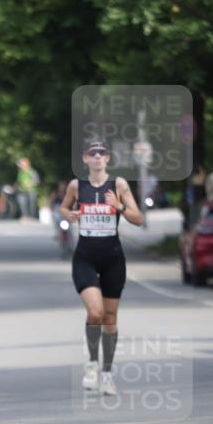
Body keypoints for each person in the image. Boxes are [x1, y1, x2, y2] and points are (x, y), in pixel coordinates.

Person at [60, 139, 143, 395]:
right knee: (95, 312)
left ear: (107, 158)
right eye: (92, 153)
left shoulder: (118, 185)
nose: (97, 157)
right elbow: (63, 207)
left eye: (102, 153)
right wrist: (69, 214)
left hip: (113, 258)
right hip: (85, 256)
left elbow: (138, 218)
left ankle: (107, 373)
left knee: (110, 317)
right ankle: (92, 365)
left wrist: (119, 206)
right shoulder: (77, 185)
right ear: (84, 158)